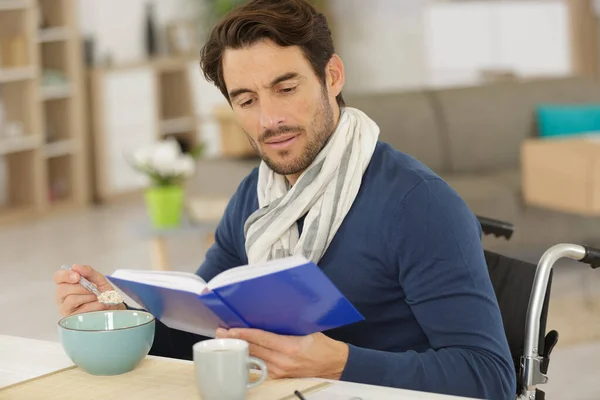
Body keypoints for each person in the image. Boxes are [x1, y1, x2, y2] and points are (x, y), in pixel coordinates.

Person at [54, 0, 515, 398]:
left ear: (331, 76)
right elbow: (204, 337)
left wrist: (340, 362)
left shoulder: (418, 205)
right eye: (246, 99)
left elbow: (490, 379)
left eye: (286, 88)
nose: (269, 119)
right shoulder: (256, 196)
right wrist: (126, 317)